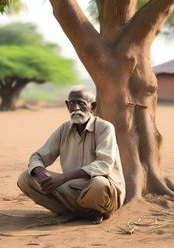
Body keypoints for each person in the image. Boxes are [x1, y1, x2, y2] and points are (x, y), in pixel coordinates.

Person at [17, 86, 126, 224]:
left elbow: (104, 164)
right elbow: (37, 156)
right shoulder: (64, 129)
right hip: (71, 190)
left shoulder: (105, 128)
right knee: (26, 177)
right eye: (72, 103)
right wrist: (41, 173)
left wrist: (64, 177)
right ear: (67, 105)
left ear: (92, 107)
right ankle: (84, 212)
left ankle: (95, 210)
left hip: (101, 191)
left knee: (99, 184)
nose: (76, 108)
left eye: (81, 103)